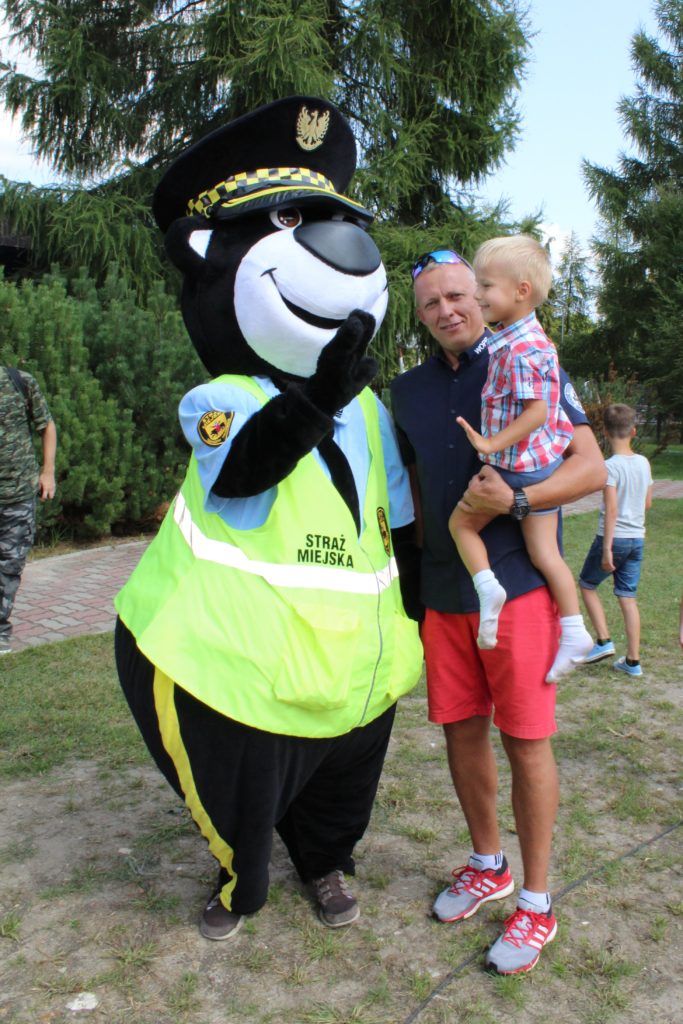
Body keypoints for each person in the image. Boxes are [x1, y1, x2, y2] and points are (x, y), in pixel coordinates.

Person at [390, 249, 606, 976]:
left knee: (525, 742)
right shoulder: (406, 391)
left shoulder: (524, 357)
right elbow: (412, 492)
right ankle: (489, 865)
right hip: (443, 593)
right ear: (420, 316)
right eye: (430, 303)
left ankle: (537, 904)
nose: (447, 309)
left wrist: (516, 499)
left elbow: (589, 467)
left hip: (517, 588)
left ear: (482, 297)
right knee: (460, 731)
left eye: (458, 294)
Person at [449, 236, 592, 682]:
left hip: (515, 467)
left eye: (485, 286)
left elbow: (536, 413)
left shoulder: (519, 349)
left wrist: (491, 446)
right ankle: (575, 631)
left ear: (521, 291)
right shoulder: (526, 339)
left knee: (461, 525)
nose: (477, 295)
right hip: (540, 465)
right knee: (546, 553)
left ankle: (487, 587)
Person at [578, 403, 653, 677]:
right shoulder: (644, 463)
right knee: (627, 597)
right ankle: (633, 661)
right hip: (636, 539)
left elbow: (611, 509)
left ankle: (603, 641)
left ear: (606, 433)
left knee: (587, 585)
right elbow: (647, 503)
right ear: (633, 431)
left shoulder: (608, 467)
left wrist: (607, 548)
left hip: (614, 539)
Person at [0, 366, 57, 654]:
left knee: (9, 567)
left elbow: (46, 426)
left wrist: (48, 472)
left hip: (18, 495)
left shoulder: (19, 381)